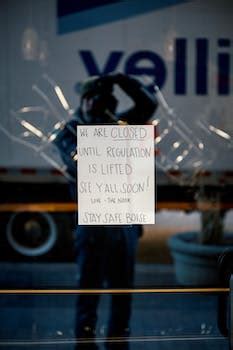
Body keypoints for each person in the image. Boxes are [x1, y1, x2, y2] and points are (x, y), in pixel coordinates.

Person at [53, 73, 157, 349]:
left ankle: (117, 345)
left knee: (122, 297)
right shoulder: (70, 131)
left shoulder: (119, 123)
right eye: (95, 99)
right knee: (89, 296)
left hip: (124, 225)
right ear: (85, 101)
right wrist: (102, 127)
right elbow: (81, 163)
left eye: (105, 99)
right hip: (93, 227)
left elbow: (148, 106)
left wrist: (124, 81)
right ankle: (85, 345)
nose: (99, 105)